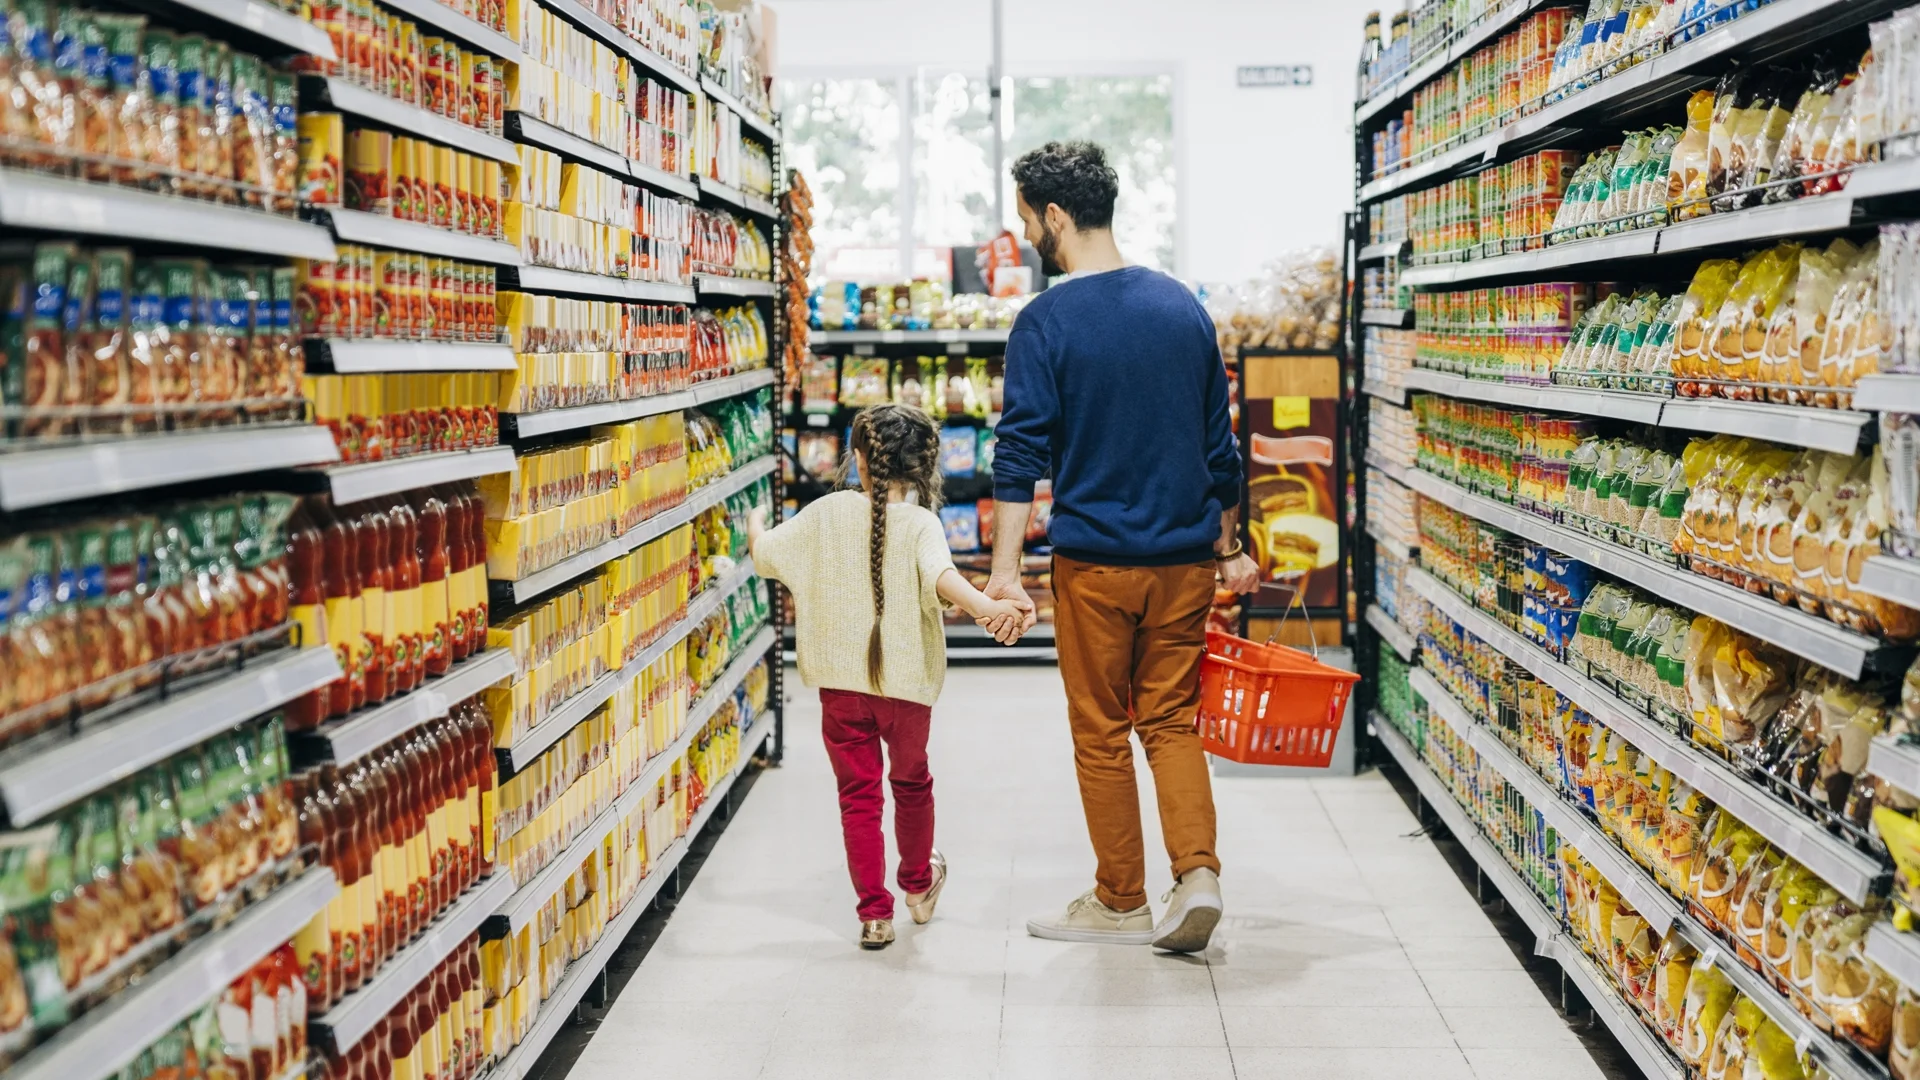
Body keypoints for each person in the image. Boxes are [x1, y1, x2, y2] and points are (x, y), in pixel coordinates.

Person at [983, 140, 1261, 954]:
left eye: (1029, 216)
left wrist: (1005, 574)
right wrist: (1231, 543)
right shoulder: (1182, 306)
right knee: (1172, 721)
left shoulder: (1046, 321)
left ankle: (1119, 900)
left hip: (1096, 565)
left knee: (1102, 730)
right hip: (1182, 565)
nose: (1028, 231)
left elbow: (1019, 453)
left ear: (1056, 216)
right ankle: (1198, 875)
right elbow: (1222, 451)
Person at [748, 404, 1027, 950]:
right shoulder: (922, 524)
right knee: (911, 783)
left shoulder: (825, 514)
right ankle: (919, 888)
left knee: (858, 797)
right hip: (906, 691)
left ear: (858, 460)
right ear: (926, 465)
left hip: (840, 690)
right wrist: (990, 612)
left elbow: (766, 555)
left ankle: (874, 915)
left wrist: (756, 523)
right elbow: (943, 580)